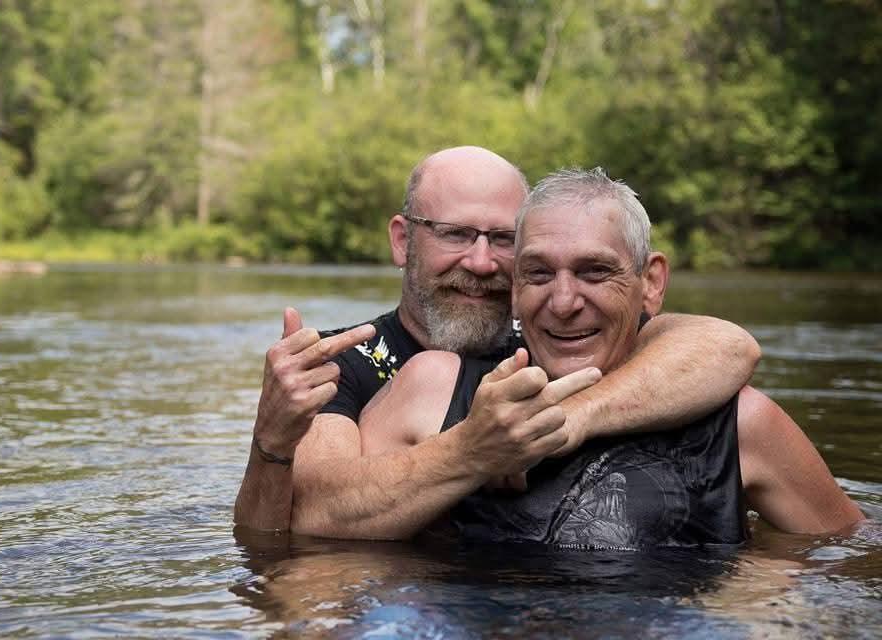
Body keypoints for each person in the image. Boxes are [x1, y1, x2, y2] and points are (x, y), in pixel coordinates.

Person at [234, 146, 762, 536]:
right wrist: (271, 439)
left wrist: (567, 419)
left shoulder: (558, 332)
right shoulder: (340, 362)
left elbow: (726, 348)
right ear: (403, 240)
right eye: (456, 234)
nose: (482, 262)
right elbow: (306, 521)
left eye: (504, 239)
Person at [358, 167, 864, 546]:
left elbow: (850, 559)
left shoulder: (742, 424)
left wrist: (761, 581)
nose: (563, 302)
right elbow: (321, 539)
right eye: (537, 274)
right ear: (513, 289)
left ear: (652, 282)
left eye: (595, 272)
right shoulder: (434, 390)